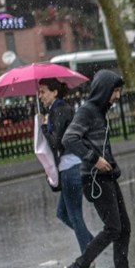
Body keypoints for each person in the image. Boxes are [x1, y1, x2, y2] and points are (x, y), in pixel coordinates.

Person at [61, 70, 135, 268]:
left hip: (106, 176)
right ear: (104, 91)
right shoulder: (87, 111)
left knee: (124, 228)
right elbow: (69, 138)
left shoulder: (100, 113)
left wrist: (111, 164)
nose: (118, 96)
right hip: (94, 179)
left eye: (119, 91)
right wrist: (94, 159)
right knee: (113, 228)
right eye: (115, 91)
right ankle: (78, 267)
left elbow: (101, 146)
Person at [38, 78, 93, 255]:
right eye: (39, 92)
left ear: (54, 92)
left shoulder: (61, 110)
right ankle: (92, 242)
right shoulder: (57, 109)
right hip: (68, 168)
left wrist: (44, 127)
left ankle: (89, 253)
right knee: (63, 213)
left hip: (71, 168)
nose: (40, 96)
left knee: (74, 215)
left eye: (43, 92)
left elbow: (57, 142)